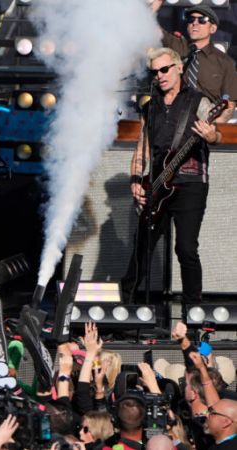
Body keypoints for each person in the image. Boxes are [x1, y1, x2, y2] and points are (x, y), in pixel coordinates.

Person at [120, 47, 222, 304]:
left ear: (179, 68)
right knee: (141, 247)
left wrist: (211, 136)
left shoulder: (198, 101)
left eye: (165, 69)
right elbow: (142, 147)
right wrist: (135, 180)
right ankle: (125, 310)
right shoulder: (151, 107)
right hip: (156, 184)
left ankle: (193, 312)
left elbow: (216, 135)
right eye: (155, 72)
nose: (160, 75)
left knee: (186, 249)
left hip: (190, 184)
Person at [150, 1, 237, 112]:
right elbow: (155, 30)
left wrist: (213, 125)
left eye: (202, 20)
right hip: (174, 116)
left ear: (213, 29)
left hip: (205, 119)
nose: (195, 23)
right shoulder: (177, 47)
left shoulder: (225, 62)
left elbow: (229, 104)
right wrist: (154, 8)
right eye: (191, 20)